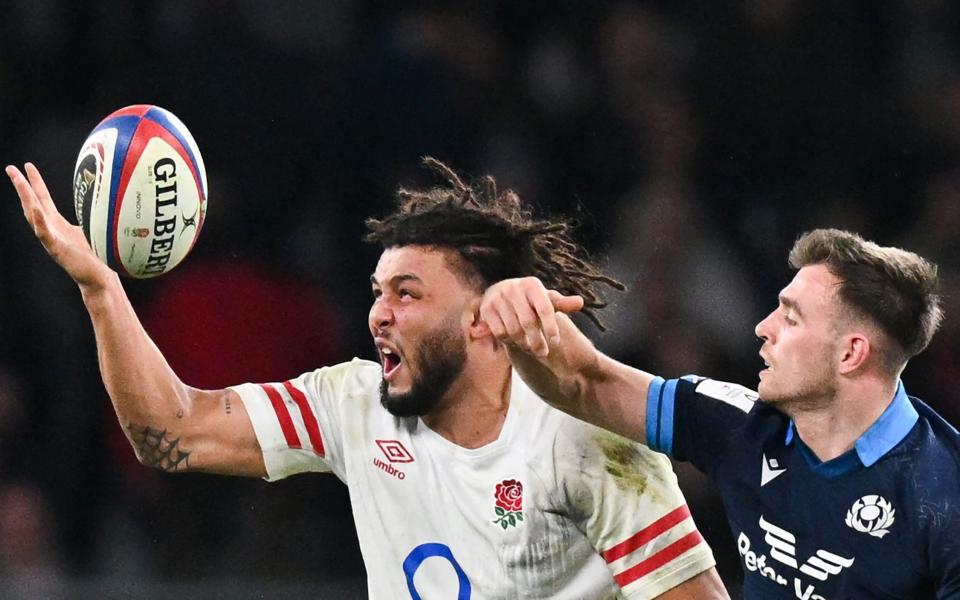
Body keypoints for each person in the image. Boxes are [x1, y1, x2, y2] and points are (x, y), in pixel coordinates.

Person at [6, 159, 728, 599]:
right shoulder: (356, 406)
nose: (378, 314)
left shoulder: (590, 443)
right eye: (377, 292)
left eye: (407, 294)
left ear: (481, 320)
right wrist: (101, 289)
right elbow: (170, 433)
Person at [478, 229, 960, 598]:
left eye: (790, 317)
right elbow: (585, 381)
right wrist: (520, 312)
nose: (762, 327)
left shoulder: (944, 497)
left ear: (851, 355)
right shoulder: (742, 425)